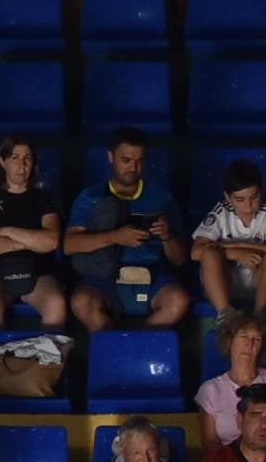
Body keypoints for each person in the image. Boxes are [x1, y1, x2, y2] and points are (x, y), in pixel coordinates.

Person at [65, 127, 189, 328]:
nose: (133, 167)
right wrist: (115, 237)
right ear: (111, 157)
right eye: (126, 160)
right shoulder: (90, 197)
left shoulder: (161, 198)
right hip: (104, 277)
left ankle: (140, 344)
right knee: (81, 302)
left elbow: (180, 258)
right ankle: (115, 347)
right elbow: (70, 245)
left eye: (139, 161)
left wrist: (167, 237)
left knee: (178, 300)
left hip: (153, 275)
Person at [0, 133, 66, 328]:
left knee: (57, 303)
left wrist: (6, 231)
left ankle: (48, 358)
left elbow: (51, 241)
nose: (22, 165)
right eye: (15, 157)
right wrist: (31, 242)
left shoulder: (43, 198)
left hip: (38, 271)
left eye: (27, 158)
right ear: (2, 161)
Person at [191, 157, 266, 318]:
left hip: (258, 280)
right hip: (224, 281)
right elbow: (196, 252)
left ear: (261, 191)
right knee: (209, 254)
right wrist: (237, 253)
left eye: (254, 197)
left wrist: (228, 245)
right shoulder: (221, 212)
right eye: (240, 200)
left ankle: (261, 314)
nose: (248, 205)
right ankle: (226, 315)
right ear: (228, 197)